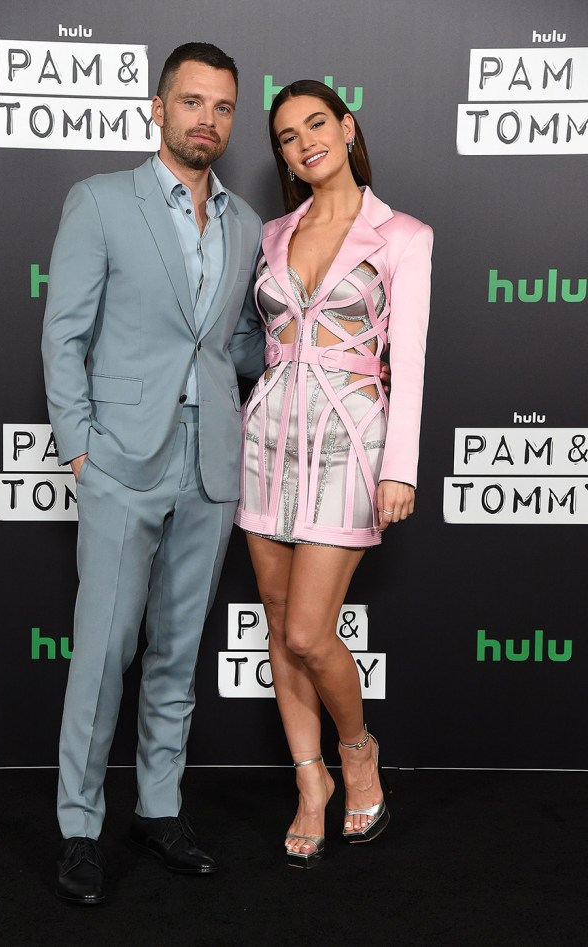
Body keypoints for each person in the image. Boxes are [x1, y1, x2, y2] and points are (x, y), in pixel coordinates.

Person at [41, 43, 266, 904]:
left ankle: (160, 806)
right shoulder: (100, 202)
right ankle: (78, 827)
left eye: (222, 107)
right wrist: (79, 448)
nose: (206, 119)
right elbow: (64, 333)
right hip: (120, 463)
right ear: (158, 107)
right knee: (101, 651)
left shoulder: (245, 223)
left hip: (212, 466)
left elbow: (236, 344)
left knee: (178, 651)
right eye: (191, 102)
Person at [234, 80, 433, 867]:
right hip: (265, 441)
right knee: (281, 625)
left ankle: (357, 751)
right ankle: (309, 781)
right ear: (281, 153)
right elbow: (254, 342)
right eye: (286, 135)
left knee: (314, 632)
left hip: (352, 441)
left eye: (317, 123)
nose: (304, 141)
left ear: (347, 128)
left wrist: (402, 467)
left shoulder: (403, 234)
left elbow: (408, 360)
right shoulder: (275, 230)